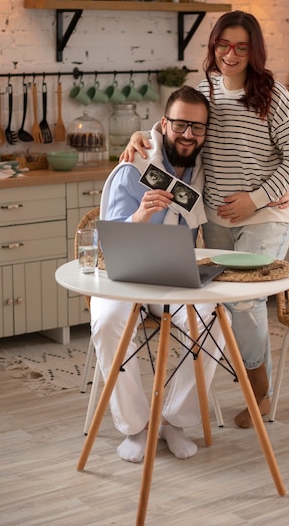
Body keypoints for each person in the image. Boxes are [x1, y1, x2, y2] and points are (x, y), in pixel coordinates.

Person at [122, 11, 289, 429]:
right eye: (224, 44)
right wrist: (140, 136)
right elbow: (178, 128)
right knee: (220, 306)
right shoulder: (205, 87)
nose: (231, 54)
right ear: (213, 46)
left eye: (241, 46)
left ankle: (260, 393)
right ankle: (205, 399)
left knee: (243, 300)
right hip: (214, 218)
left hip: (265, 217)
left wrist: (257, 199)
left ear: (254, 51)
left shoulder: (273, 95)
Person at [90, 85, 227, 464]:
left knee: (215, 318)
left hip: (173, 278)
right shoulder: (132, 168)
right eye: (180, 124)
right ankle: (136, 427)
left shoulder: (202, 171)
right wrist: (140, 216)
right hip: (123, 275)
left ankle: (173, 421)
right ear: (163, 124)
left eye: (197, 128)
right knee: (107, 321)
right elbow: (107, 243)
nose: (188, 135)